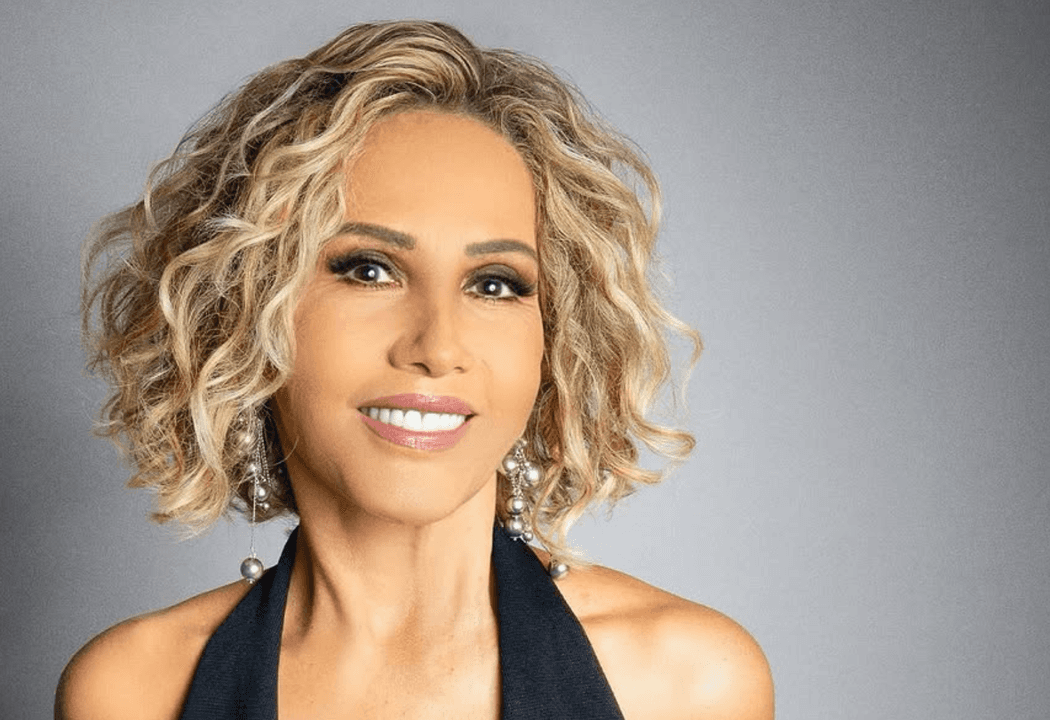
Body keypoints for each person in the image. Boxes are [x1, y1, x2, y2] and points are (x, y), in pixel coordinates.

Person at [57, 20, 773, 720]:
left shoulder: (688, 686)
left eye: (495, 284)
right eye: (369, 270)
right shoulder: (132, 694)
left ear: (555, 341)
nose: (438, 345)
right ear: (242, 311)